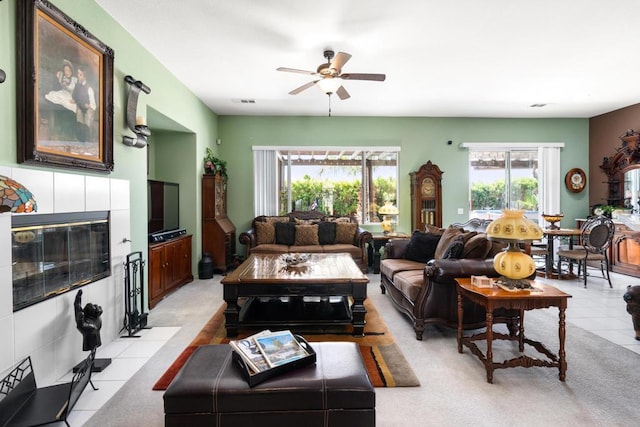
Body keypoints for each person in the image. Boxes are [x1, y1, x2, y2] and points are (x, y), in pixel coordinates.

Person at [71, 65, 96, 142]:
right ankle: (80, 138)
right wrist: (74, 100)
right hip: (81, 106)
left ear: (85, 77)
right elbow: (75, 95)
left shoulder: (89, 88)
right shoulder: (77, 85)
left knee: (88, 118)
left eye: (80, 75)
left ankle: (87, 138)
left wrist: (89, 106)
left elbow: (93, 103)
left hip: (88, 107)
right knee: (79, 115)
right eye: (78, 74)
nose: (78, 76)